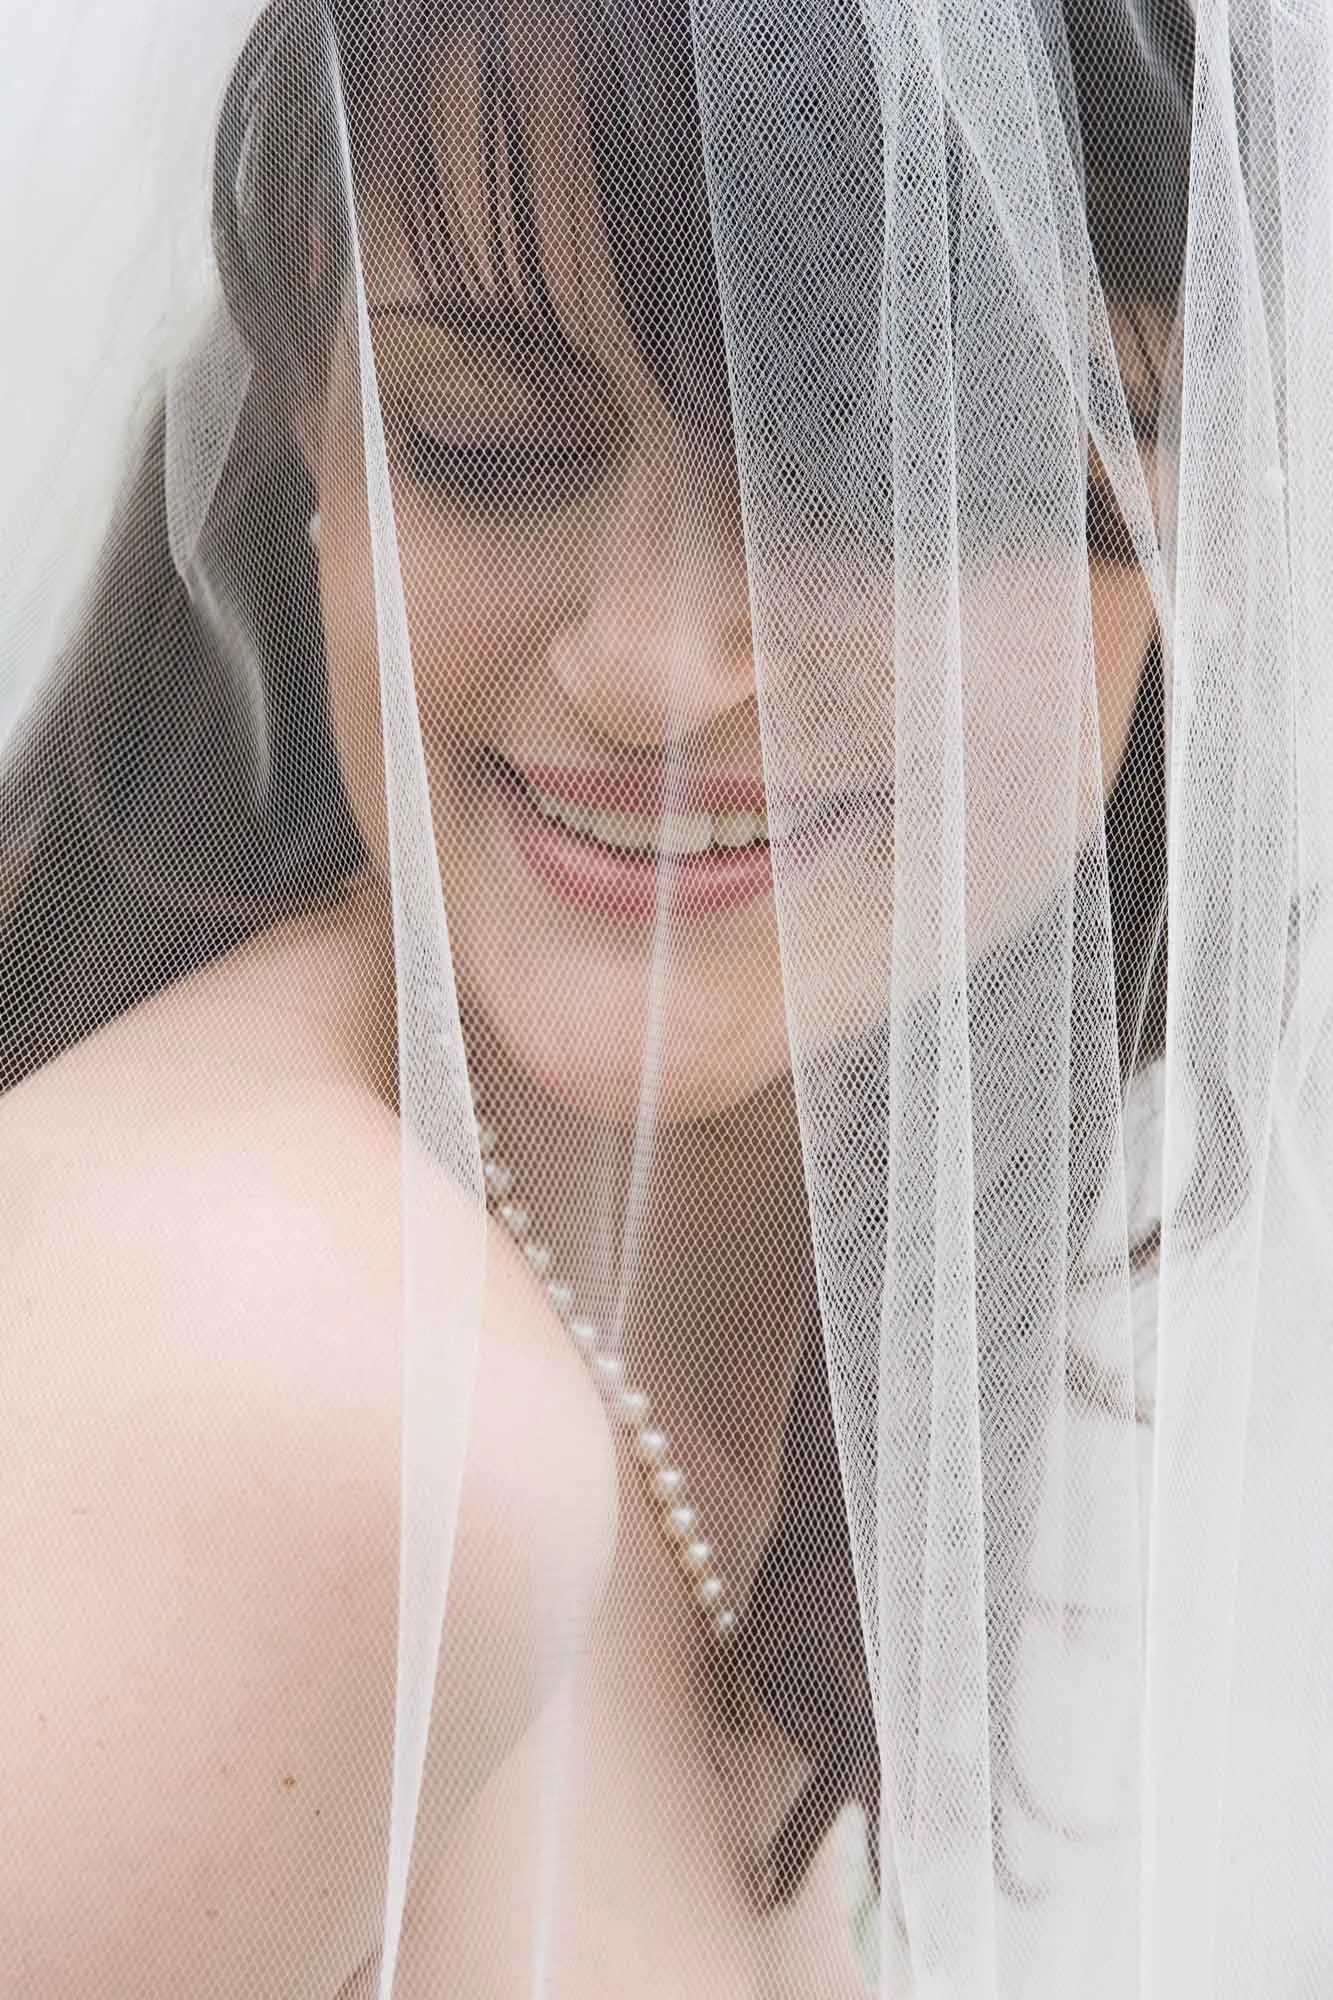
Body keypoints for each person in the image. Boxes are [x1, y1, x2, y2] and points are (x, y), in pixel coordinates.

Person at [1, 2, 1329, 1994]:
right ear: (315, 434)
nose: (652, 663)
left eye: (862, 465)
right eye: (491, 446)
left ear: (1201, 495)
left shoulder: (730, 1349)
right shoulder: (309, 1381)